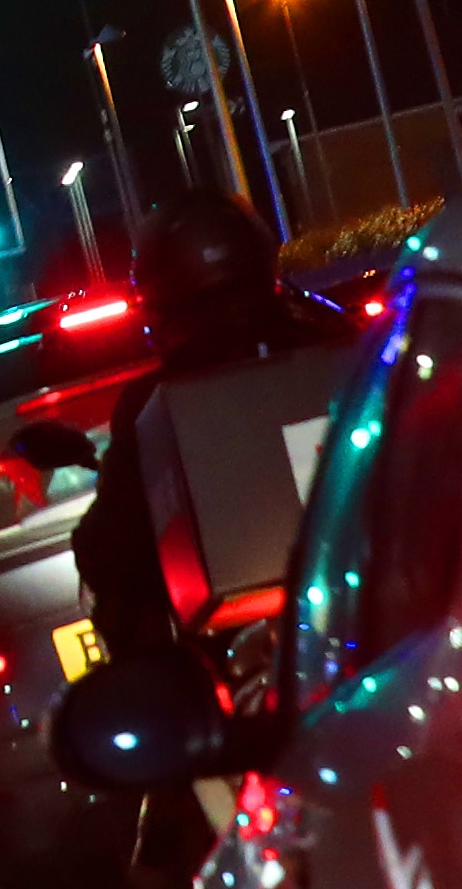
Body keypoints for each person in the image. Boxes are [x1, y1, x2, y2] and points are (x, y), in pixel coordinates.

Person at [68, 190, 367, 729]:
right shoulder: (341, 343)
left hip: (250, 654)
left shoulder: (156, 401)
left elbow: (112, 548)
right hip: (368, 606)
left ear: (158, 301)